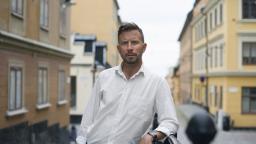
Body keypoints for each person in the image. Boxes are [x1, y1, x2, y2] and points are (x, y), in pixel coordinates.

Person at [76, 22, 179, 144]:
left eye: (134, 42)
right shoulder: (104, 77)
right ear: (119, 49)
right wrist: (81, 140)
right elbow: (88, 117)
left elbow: (170, 121)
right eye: (124, 43)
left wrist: (152, 135)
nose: (129, 47)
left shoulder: (157, 83)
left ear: (144, 47)